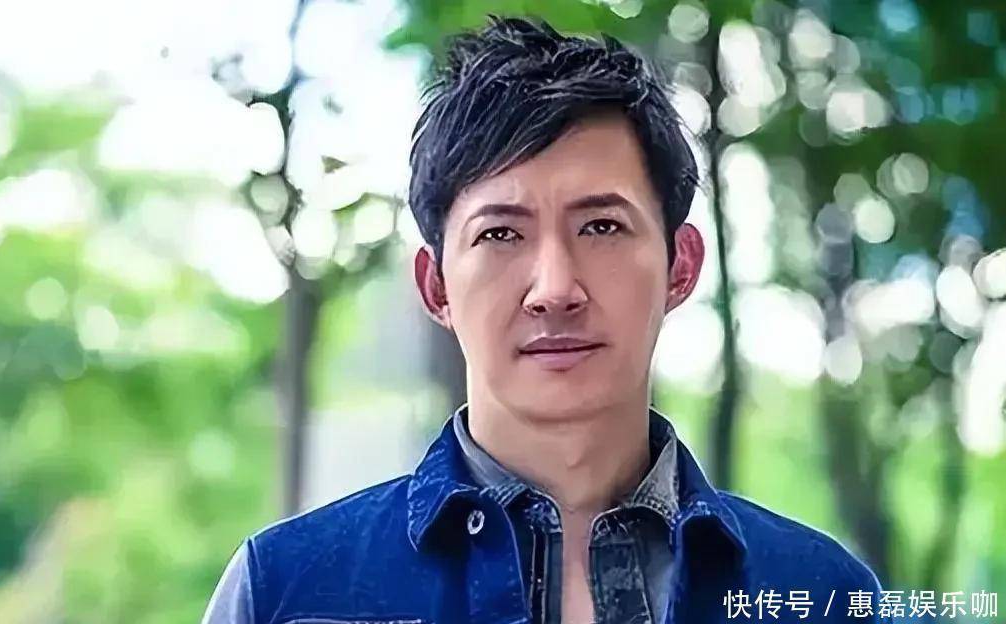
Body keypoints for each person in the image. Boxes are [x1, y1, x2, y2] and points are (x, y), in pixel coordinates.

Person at [203, 16, 886, 624]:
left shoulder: (822, 593)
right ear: (435, 286)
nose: (554, 290)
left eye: (601, 226)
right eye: (500, 234)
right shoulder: (286, 590)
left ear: (680, 266)